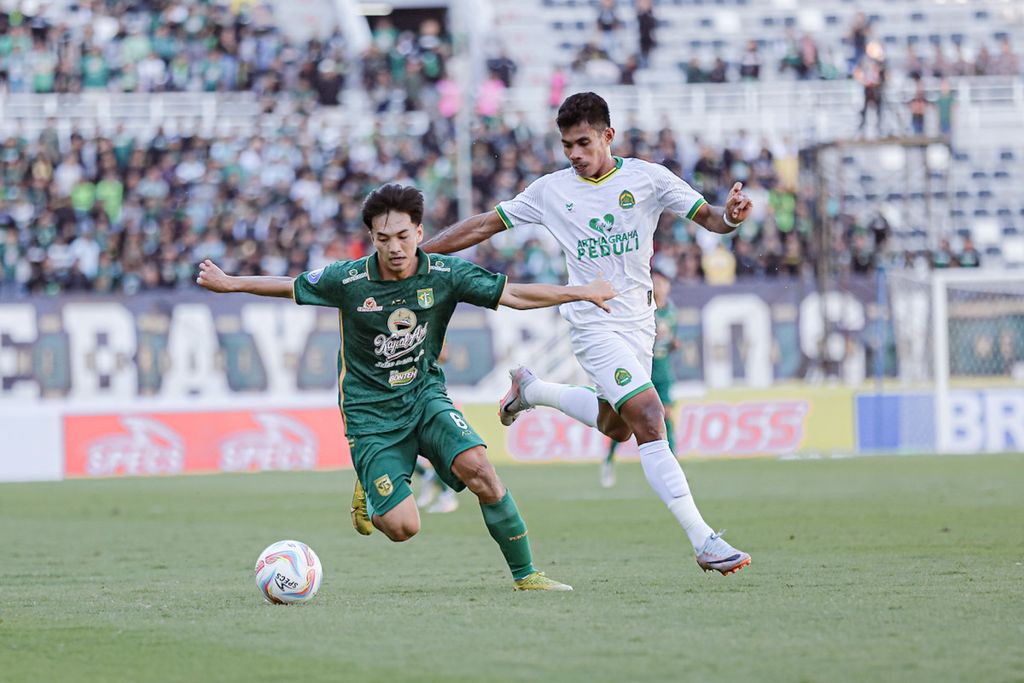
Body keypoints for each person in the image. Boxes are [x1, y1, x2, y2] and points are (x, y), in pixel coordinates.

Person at [197, 183, 617, 591]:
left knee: (480, 469)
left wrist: (581, 292)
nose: (395, 247)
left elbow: (516, 296)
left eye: (402, 236)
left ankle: (527, 575)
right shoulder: (348, 280)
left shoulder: (446, 273)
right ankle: (371, 484)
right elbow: (289, 285)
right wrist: (230, 282)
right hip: (370, 415)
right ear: (371, 239)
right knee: (403, 528)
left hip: (424, 396)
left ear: (419, 232)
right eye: (383, 238)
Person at [421, 92, 753, 576]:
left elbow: (709, 218)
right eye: (566, 145)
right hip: (592, 321)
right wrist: (419, 257)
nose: (574, 154)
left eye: (582, 143)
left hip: (640, 323)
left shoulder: (648, 178)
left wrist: (730, 216)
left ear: (607, 136)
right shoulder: (551, 190)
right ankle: (704, 540)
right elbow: (483, 226)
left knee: (616, 424)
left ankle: (531, 390)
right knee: (648, 413)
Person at [600, 270, 679, 488]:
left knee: (667, 416)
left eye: (664, 283)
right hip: (643, 368)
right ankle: (608, 461)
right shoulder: (643, 309)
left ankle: (673, 468)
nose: (660, 287)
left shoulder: (672, 311)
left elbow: (671, 338)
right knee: (626, 421)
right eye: (657, 283)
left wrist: (672, 344)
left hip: (663, 370)